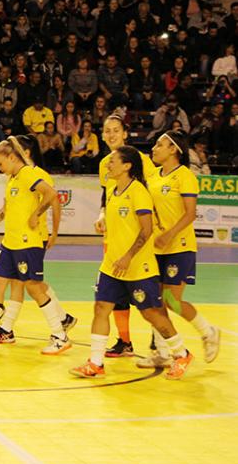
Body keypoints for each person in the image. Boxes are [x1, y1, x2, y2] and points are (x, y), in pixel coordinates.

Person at [70, 146, 193, 380]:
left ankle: (182, 353)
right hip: (111, 265)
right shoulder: (112, 190)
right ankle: (96, 363)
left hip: (138, 267)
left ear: (127, 166)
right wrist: (104, 222)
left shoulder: (138, 192)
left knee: (151, 314)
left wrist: (128, 257)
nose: (108, 164)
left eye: (113, 161)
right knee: (101, 308)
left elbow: (146, 230)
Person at [0, 137, 71, 355]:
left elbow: (51, 194)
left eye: (0, 163)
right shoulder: (12, 179)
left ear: (11, 157)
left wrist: (36, 214)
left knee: (34, 288)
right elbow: (5, 211)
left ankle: (60, 335)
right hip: (9, 243)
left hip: (27, 243)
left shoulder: (28, 174)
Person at [141, 130, 220, 368]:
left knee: (171, 300)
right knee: (156, 302)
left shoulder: (184, 175)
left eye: (159, 144)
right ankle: (163, 353)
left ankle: (208, 331)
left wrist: (169, 234)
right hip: (156, 248)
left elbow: (190, 213)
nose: (154, 148)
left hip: (179, 246)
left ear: (173, 149)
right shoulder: (153, 176)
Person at [0, 135, 75, 344]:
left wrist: (54, 232)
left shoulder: (36, 175)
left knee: (30, 283)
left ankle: (59, 321)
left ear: (23, 153)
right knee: (22, 283)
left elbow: (54, 200)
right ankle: (58, 318)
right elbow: (7, 208)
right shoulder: (15, 176)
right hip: (18, 236)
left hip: (35, 236)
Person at [94, 115, 159, 357]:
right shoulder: (105, 164)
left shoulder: (140, 160)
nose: (111, 135)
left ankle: (161, 339)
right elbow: (107, 194)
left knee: (149, 295)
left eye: (116, 130)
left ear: (125, 133)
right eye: (107, 131)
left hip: (140, 237)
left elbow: (152, 194)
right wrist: (102, 214)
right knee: (115, 292)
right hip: (115, 237)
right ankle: (125, 341)